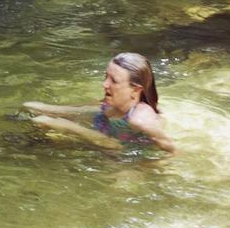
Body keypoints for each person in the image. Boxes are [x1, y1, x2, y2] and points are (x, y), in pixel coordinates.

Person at [22, 52, 176, 154]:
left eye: (113, 81)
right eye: (106, 77)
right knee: (31, 107)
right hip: (103, 127)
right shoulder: (111, 101)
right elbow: (84, 109)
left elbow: (116, 146)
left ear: (135, 90)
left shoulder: (140, 119)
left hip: (120, 153)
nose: (104, 84)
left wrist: (68, 126)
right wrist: (50, 110)